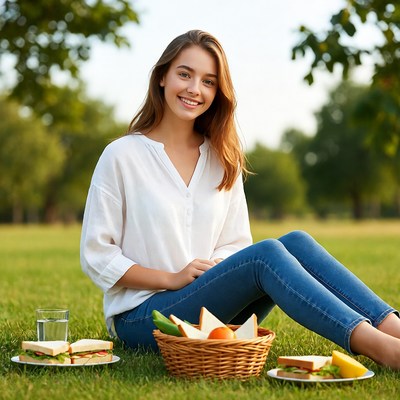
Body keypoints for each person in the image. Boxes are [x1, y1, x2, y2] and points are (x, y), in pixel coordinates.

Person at [80, 29, 400, 369]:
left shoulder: (221, 159)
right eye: (184, 74)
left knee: (296, 241)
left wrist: (215, 274)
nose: (194, 89)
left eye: (208, 81)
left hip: (210, 309)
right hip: (143, 318)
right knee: (266, 255)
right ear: (162, 77)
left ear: (218, 92)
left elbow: (234, 244)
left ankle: (394, 329)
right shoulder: (122, 155)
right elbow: (98, 255)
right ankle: (385, 350)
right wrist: (170, 278)